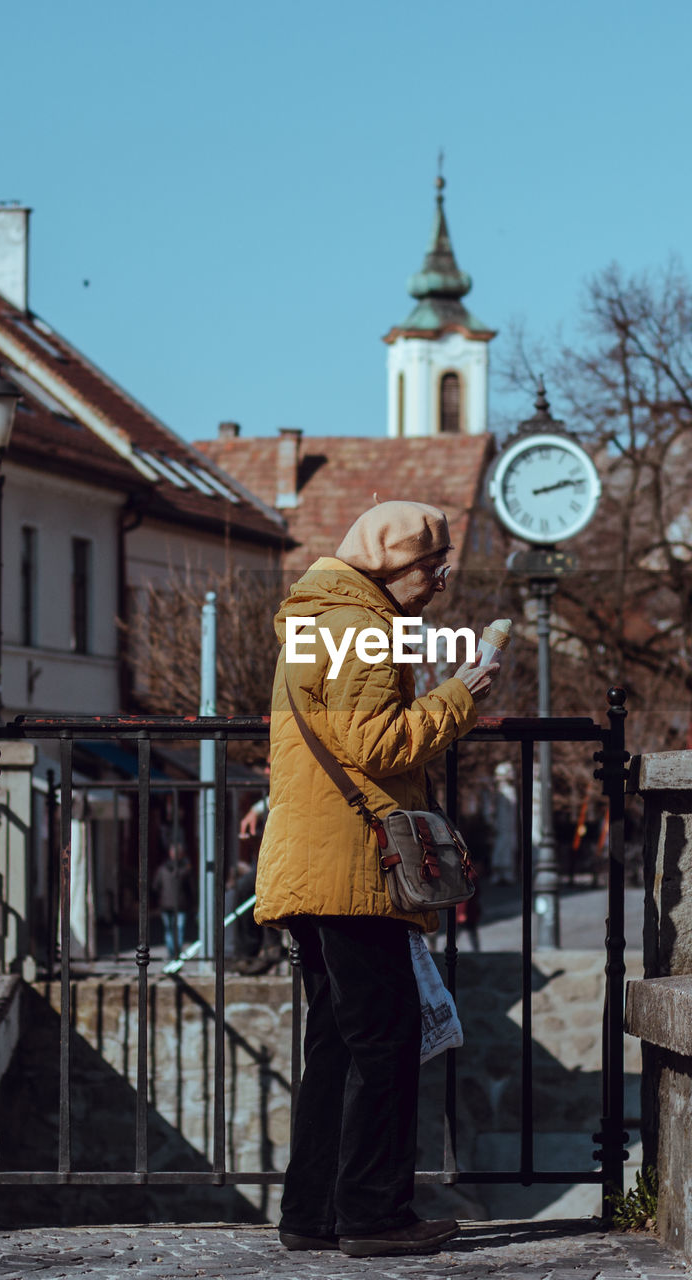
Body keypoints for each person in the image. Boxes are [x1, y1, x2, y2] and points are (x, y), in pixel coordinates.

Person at [254, 500, 499, 1258]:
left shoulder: (315, 618)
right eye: (434, 566)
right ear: (392, 566)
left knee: (334, 1042)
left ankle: (312, 1213)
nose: (441, 582)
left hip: (311, 860)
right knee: (383, 1042)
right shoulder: (367, 627)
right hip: (353, 866)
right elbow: (378, 743)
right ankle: (373, 1214)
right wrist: (460, 696)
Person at [152, 843, 193, 959]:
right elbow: (191, 888)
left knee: (169, 930)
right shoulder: (186, 869)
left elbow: (155, 886)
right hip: (181, 903)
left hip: (166, 903)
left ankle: (172, 953)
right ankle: (176, 954)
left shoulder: (163, 868)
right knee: (178, 930)